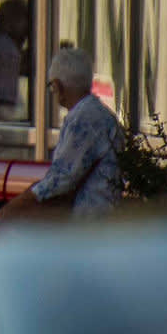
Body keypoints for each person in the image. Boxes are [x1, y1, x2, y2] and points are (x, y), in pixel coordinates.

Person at [20, 44, 121, 218]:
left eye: (51, 86)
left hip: (87, 225)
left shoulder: (83, 119)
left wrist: (13, 209)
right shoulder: (100, 114)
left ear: (58, 86)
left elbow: (61, 178)